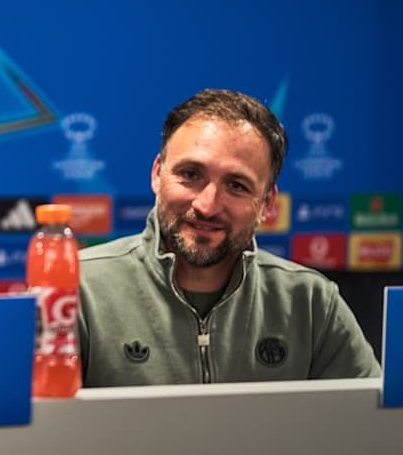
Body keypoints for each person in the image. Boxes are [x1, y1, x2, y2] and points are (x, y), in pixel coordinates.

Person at [78, 89, 380, 386]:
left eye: (236, 185)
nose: (207, 206)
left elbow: (375, 428)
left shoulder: (312, 302)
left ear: (266, 203)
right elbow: (43, 429)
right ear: (157, 174)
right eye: (191, 174)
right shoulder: (78, 291)